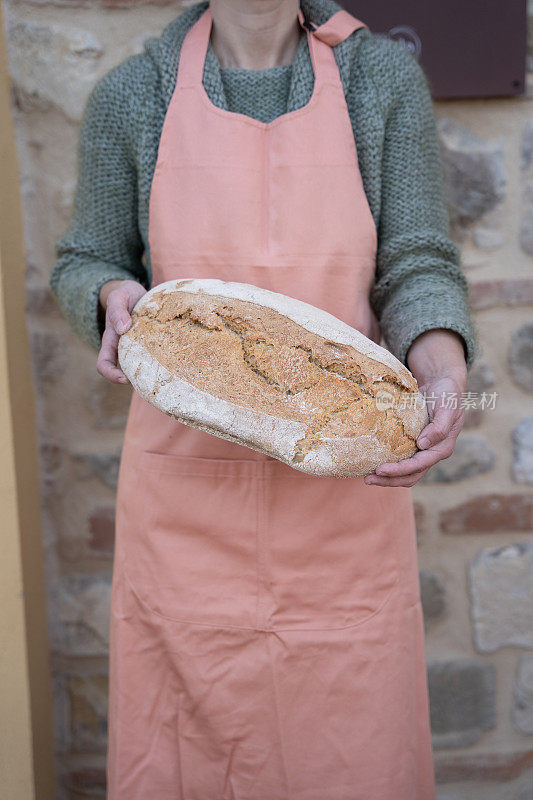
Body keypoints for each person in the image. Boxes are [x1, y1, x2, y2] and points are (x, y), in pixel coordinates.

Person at [50, 0, 477, 797]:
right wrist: (107, 291)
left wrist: (442, 366)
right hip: (185, 511)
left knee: (348, 754)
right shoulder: (132, 94)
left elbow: (416, 262)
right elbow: (86, 257)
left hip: (343, 499)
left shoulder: (378, 79)